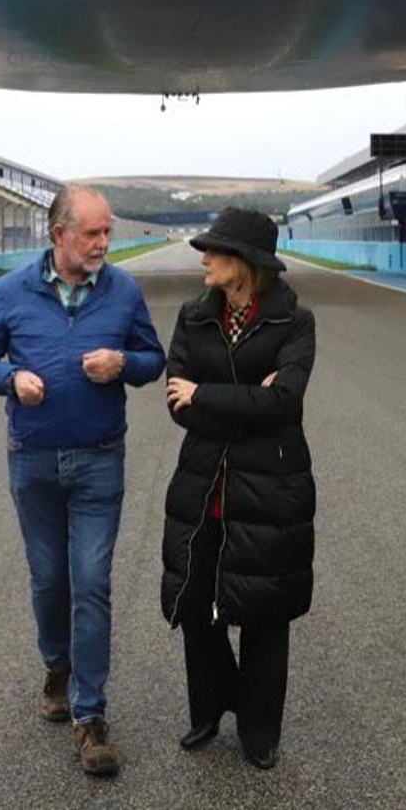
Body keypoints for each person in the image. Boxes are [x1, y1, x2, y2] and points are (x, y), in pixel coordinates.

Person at [0, 185, 166, 778]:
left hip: (100, 457)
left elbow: (154, 360)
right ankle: (57, 665)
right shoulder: (12, 291)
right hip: (34, 459)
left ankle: (90, 715)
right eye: (92, 234)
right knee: (50, 579)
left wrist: (122, 363)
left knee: (92, 581)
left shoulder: (124, 290)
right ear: (58, 236)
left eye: (108, 233)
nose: (104, 244)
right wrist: (10, 378)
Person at [160, 208, 317, 770]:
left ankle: (259, 730)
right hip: (204, 480)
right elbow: (177, 403)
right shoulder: (193, 316)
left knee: (265, 612)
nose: (204, 257)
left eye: (215, 250)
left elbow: (286, 402)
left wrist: (206, 395)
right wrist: (242, 399)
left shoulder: (294, 322)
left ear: (245, 264)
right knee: (194, 601)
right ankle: (209, 707)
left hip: (270, 485)